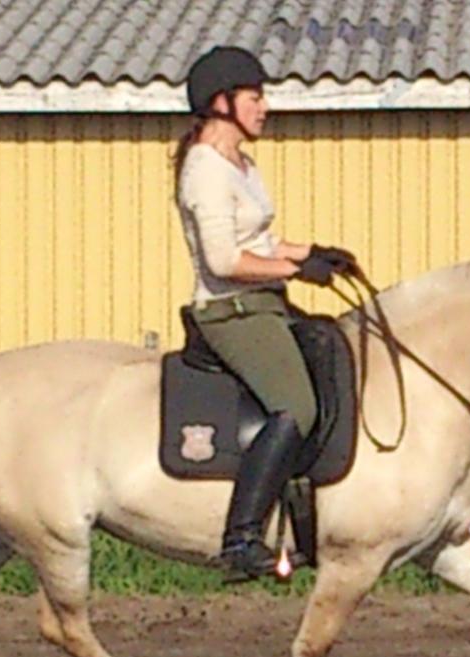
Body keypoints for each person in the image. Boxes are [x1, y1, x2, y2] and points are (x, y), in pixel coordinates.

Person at [174, 45, 358, 579]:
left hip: (262, 302)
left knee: (331, 350)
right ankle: (242, 539)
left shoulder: (241, 165)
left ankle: (309, 524)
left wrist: (314, 252)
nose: (264, 107)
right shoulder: (204, 169)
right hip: (229, 311)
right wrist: (295, 272)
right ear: (223, 102)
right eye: (255, 97)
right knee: (296, 406)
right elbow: (225, 259)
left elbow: (261, 238)